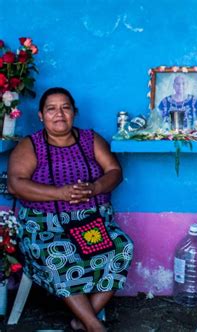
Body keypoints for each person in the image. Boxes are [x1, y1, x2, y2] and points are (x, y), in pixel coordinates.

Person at [7, 87, 134, 332]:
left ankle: (82, 320)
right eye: (51, 109)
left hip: (92, 224)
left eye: (65, 108)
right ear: (42, 116)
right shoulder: (30, 145)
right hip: (45, 226)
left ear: (74, 113)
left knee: (122, 247)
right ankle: (96, 326)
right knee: (58, 253)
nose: (59, 114)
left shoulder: (90, 140)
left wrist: (96, 187)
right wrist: (61, 193)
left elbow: (115, 172)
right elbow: (16, 184)